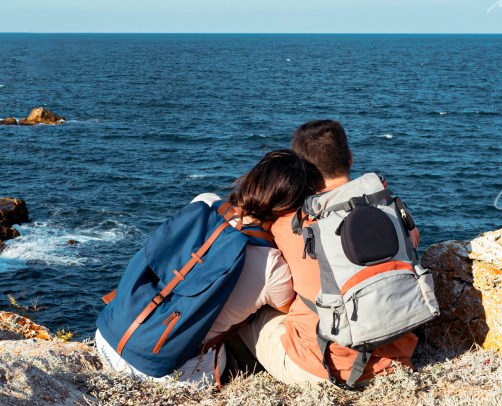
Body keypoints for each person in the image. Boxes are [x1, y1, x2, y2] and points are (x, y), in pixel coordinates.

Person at [95, 150, 320, 386]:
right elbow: (286, 309)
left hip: (108, 335)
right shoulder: (273, 266)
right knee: (261, 317)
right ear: (290, 209)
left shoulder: (204, 203)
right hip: (158, 371)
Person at [237, 120, 420, 385]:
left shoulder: (288, 222)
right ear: (350, 158)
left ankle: (216, 370)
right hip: (397, 361)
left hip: (321, 368)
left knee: (250, 314)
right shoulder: (391, 211)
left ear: (298, 169)